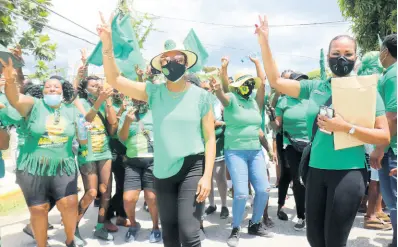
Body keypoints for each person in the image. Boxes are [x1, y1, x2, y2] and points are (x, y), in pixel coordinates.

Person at [256, 16, 390, 247]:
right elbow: (276, 81)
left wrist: (346, 127)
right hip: (316, 172)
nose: (342, 58)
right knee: (315, 239)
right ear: (328, 56)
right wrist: (264, 42)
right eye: (336, 53)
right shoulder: (316, 87)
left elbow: (383, 136)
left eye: (348, 53)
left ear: (356, 58)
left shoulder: (367, 91)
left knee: (334, 241)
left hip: (348, 173)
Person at [97, 13, 215, 247]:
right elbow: (115, 78)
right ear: (161, 66)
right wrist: (107, 44)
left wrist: (207, 175)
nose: (172, 63)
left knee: (189, 232)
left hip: (192, 166)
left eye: (178, 59)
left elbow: (210, 138)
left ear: (186, 63)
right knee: (169, 234)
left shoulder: (201, 96)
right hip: (162, 171)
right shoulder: (153, 92)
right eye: (166, 60)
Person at [1, 58, 83, 247]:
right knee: (39, 209)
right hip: (33, 167)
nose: (52, 89)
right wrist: (11, 80)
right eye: (48, 87)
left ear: (62, 92)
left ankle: (71, 240)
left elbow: (82, 133)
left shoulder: (71, 110)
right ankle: (41, 244)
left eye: (56, 87)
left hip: (63, 165)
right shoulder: (34, 105)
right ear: (43, 91)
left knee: (69, 204)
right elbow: (15, 99)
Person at [210, 66, 273, 247]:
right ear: (238, 86)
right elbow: (221, 93)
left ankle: (254, 224)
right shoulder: (231, 99)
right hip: (235, 152)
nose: (250, 85)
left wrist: (258, 64)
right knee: (241, 194)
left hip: (255, 151)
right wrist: (223, 72)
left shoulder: (255, 102)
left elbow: (262, 85)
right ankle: (236, 228)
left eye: (251, 83)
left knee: (263, 190)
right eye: (246, 83)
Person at [75, 75, 117, 245]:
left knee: (105, 191)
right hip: (88, 152)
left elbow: (113, 128)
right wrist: (101, 99)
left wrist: (107, 103)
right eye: (93, 85)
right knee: (91, 192)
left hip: (105, 151)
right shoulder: (79, 102)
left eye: (99, 84)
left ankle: (100, 226)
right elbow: (87, 119)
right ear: (85, 89)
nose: (98, 87)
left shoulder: (105, 102)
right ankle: (73, 226)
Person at [355, 51, 392, 230]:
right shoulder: (371, 81)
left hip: (369, 131)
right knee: (376, 175)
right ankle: (370, 215)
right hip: (371, 132)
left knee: (375, 174)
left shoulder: (365, 79)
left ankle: (376, 209)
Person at [268, 71, 309, 231]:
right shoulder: (283, 101)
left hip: (313, 145)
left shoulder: (312, 99)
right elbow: (276, 126)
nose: (301, 85)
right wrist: (272, 119)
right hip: (291, 145)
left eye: (303, 82)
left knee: (313, 181)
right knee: (298, 180)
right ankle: (301, 216)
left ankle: (313, 212)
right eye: (298, 82)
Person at [118, 96, 161, 243]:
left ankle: (156, 227)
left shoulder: (156, 112)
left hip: (153, 161)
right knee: (128, 199)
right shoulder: (126, 114)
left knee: (152, 198)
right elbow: (122, 137)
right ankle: (134, 224)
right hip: (133, 163)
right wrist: (128, 122)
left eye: (143, 98)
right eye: (136, 98)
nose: (140, 101)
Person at [370, 34, 397, 247]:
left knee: (393, 200)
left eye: (380, 49)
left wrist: (380, 148)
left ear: (386, 51)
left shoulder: (392, 75)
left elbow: (393, 116)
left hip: (392, 149)